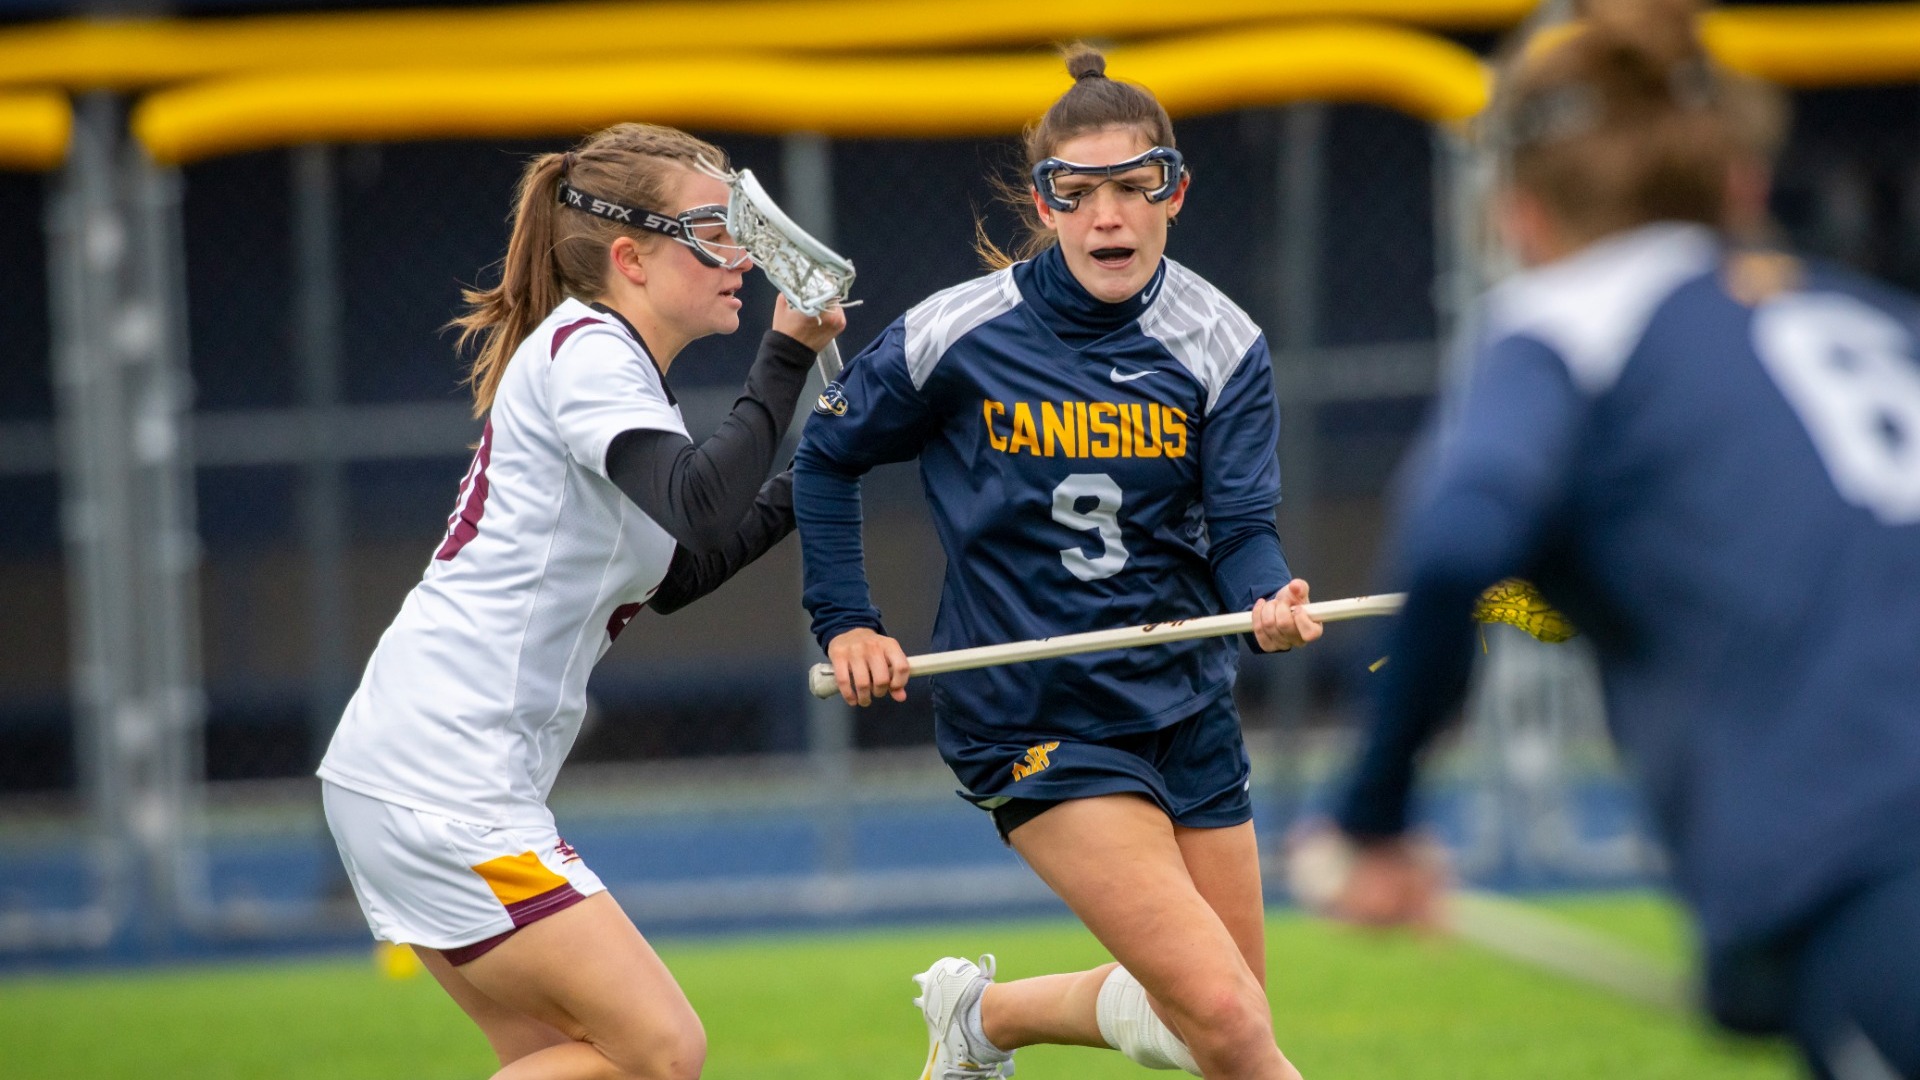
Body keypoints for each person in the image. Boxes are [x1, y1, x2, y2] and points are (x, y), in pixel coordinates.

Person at [1301, 3, 1920, 1078]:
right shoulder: (1873, 315)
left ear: (1518, 214)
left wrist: (1375, 818)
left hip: (1869, 864)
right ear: (1741, 185)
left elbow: (1454, 546)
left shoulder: (1571, 324)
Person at [793, 46, 1321, 1080]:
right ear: (1044, 202)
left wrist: (1268, 595)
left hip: (1183, 701)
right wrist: (845, 619)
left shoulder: (1223, 343)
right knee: (1226, 1015)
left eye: (1134, 186)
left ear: (1173, 190)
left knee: (1204, 1022)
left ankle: (982, 1018)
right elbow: (825, 456)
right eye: (1076, 194)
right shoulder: (959, 331)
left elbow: (1243, 529)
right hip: (1031, 713)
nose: (1107, 217)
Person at [316, 122, 844, 1080]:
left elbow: (683, 566)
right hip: (445, 784)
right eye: (714, 231)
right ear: (630, 259)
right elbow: (701, 498)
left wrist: (832, 456)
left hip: (429, 777)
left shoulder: (612, 369)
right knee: (662, 1049)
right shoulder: (588, 350)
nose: (742, 259)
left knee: (582, 1061)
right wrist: (788, 356)